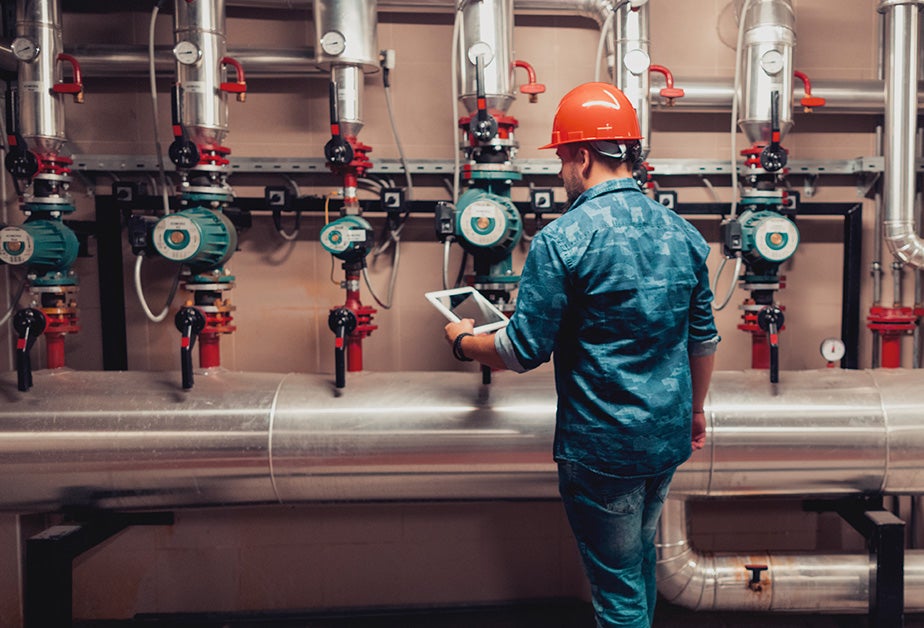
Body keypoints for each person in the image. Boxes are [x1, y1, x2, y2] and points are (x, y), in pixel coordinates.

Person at [443, 82, 719, 628]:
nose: (561, 173)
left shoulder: (562, 240)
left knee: (617, 594)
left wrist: (462, 339)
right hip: (664, 440)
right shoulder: (684, 235)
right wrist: (694, 411)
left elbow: (522, 350)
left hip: (602, 450)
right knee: (638, 564)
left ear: (585, 156)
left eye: (564, 159)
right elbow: (703, 338)